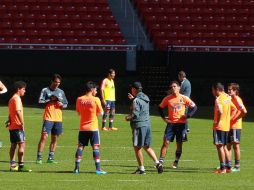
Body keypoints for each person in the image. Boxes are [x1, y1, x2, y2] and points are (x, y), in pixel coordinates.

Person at [158, 81, 197, 173]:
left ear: (179, 88)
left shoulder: (184, 98)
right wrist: (164, 118)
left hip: (181, 124)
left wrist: (187, 116)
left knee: (179, 144)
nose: (173, 88)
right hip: (171, 124)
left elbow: (194, 107)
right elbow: (160, 107)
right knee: (165, 142)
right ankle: (160, 162)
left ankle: (176, 161)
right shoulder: (167, 98)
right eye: (171, 87)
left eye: (175, 86)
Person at [125, 82, 162, 174]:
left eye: (132, 88)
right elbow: (141, 105)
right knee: (147, 146)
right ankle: (158, 163)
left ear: (134, 89)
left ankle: (141, 169)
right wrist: (134, 99)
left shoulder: (136, 100)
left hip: (139, 126)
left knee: (137, 147)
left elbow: (135, 115)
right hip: (147, 125)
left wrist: (127, 117)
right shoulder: (145, 97)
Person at [73, 81, 107, 174]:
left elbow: (78, 113)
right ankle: (98, 169)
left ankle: (76, 168)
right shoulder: (96, 99)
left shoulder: (79, 99)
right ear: (92, 89)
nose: (96, 91)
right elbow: (101, 114)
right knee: (95, 147)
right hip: (93, 128)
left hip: (83, 128)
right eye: (95, 89)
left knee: (80, 147)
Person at [36, 74, 68, 164]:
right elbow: (40, 101)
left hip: (58, 118)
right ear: (52, 81)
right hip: (48, 117)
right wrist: (49, 100)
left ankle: (50, 158)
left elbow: (66, 104)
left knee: (54, 139)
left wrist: (61, 105)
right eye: (55, 82)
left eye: (59, 82)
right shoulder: (45, 90)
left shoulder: (61, 92)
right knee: (44, 137)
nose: (57, 84)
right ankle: (39, 157)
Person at [6, 81, 32, 172]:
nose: (25, 91)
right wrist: (22, 123)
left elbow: (11, 112)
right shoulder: (16, 98)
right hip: (17, 126)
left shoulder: (11, 98)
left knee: (13, 145)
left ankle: (13, 165)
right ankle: (21, 166)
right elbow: (17, 111)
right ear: (18, 89)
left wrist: (9, 120)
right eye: (23, 89)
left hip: (13, 126)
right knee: (22, 144)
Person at [212, 82, 237, 174]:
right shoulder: (227, 97)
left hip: (219, 127)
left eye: (213, 90)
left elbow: (220, 112)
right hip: (226, 126)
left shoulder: (218, 99)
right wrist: (229, 119)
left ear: (217, 89)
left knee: (220, 147)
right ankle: (228, 167)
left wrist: (217, 122)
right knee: (225, 147)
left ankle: (222, 168)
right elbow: (234, 109)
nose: (212, 92)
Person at [227, 83, 247, 172]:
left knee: (235, 146)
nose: (228, 91)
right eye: (228, 89)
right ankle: (228, 165)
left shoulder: (238, 100)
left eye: (230, 90)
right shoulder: (230, 98)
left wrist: (235, 118)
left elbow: (244, 111)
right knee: (228, 146)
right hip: (229, 126)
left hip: (235, 126)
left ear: (235, 91)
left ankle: (237, 166)